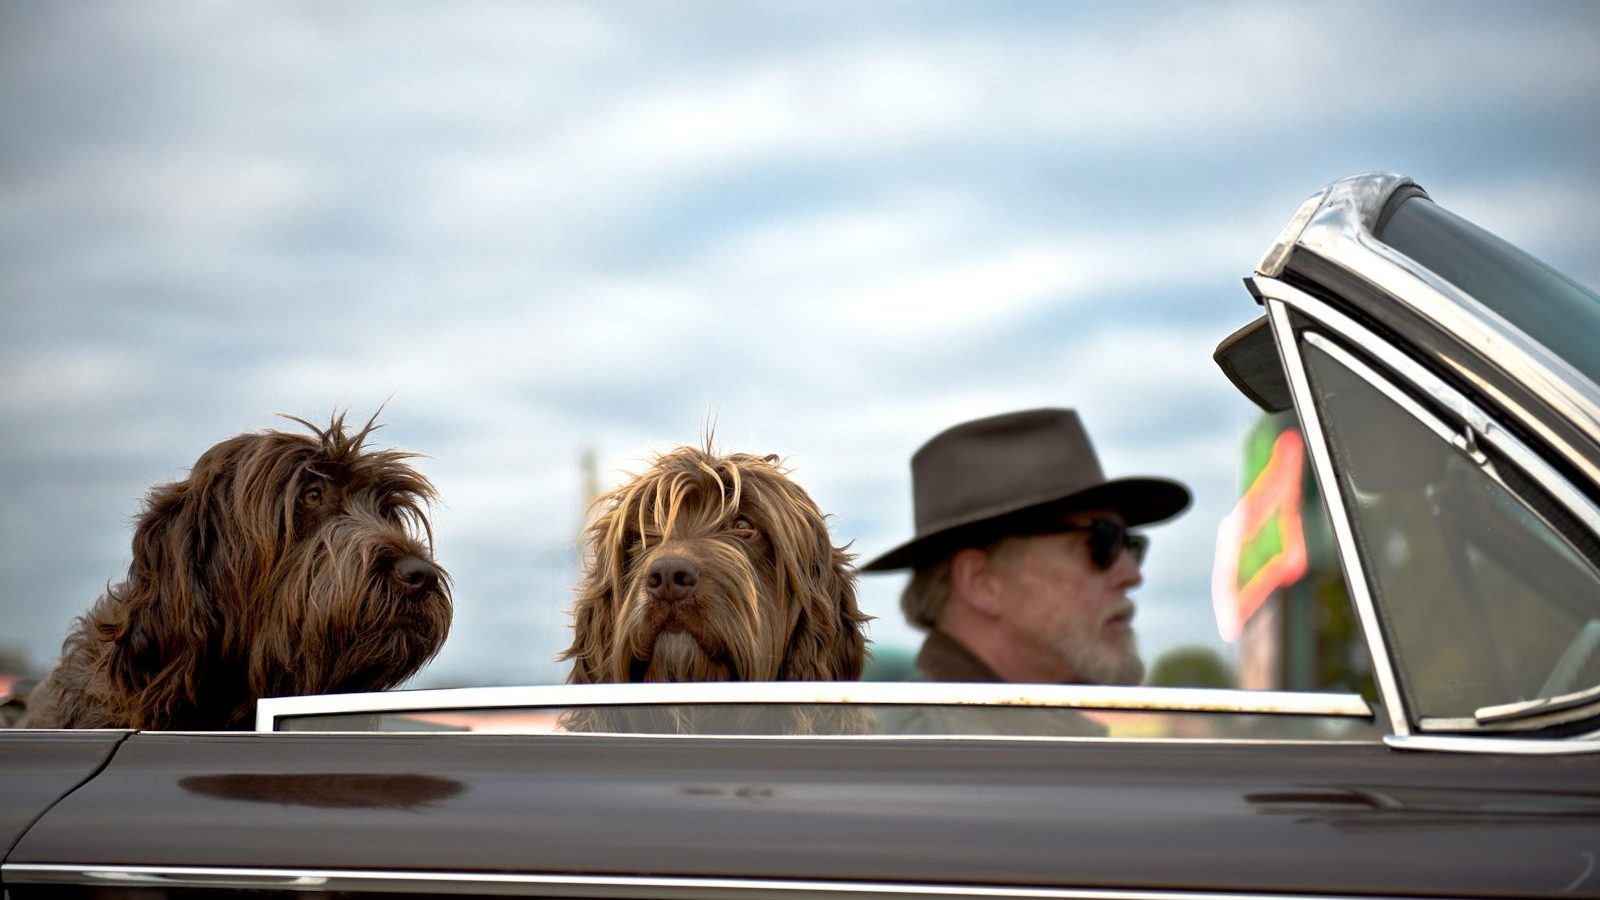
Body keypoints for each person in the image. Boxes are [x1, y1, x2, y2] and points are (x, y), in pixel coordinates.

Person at [862, 408, 1191, 687]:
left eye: (1131, 545)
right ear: (981, 582)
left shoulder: (1020, 744)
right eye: (1102, 541)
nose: (1132, 574)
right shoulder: (920, 755)